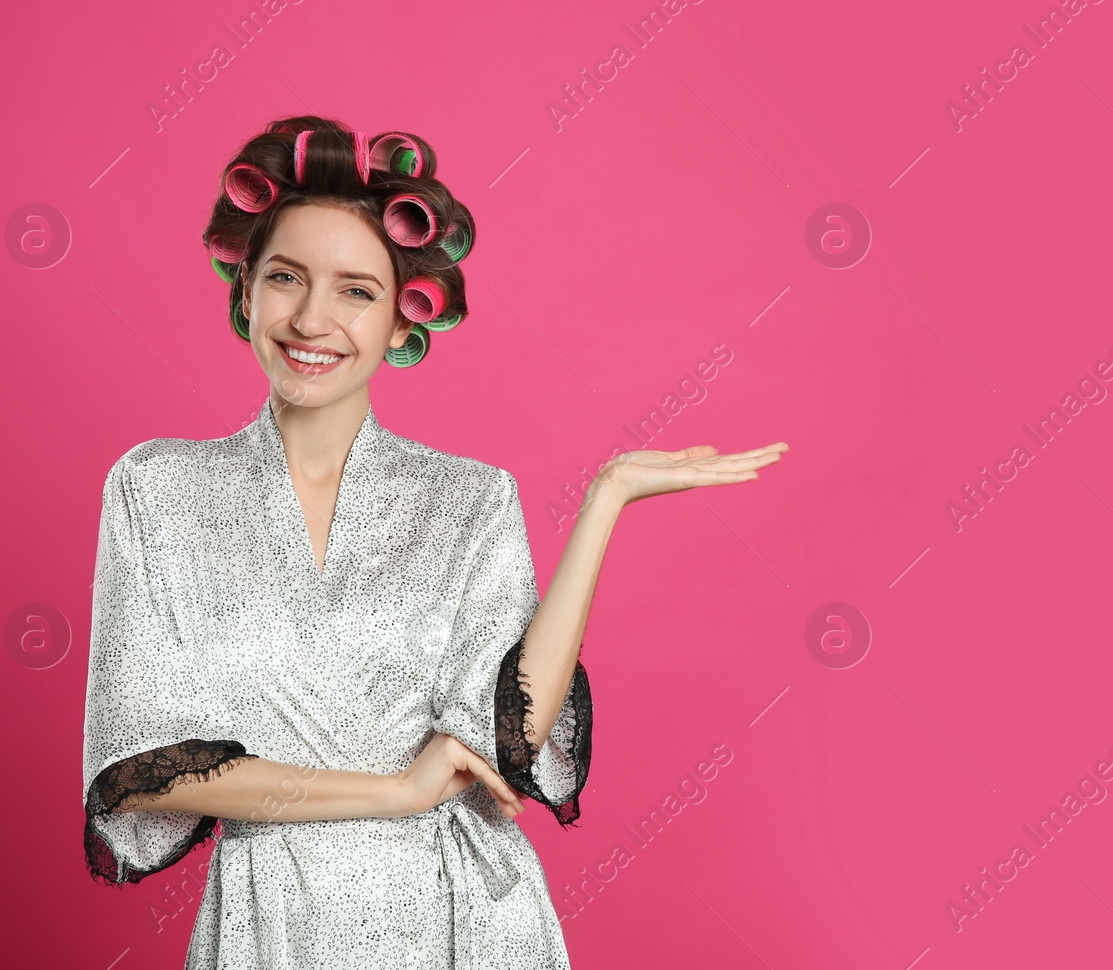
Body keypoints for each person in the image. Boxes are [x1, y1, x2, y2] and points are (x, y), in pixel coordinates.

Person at [79, 115, 788, 968]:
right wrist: (396, 789)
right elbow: (144, 766)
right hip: (268, 919)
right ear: (246, 291)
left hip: (459, 917)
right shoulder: (157, 492)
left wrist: (606, 500)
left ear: (400, 318)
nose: (312, 318)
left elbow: (512, 734)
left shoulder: (470, 498)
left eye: (355, 290)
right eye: (286, 277)